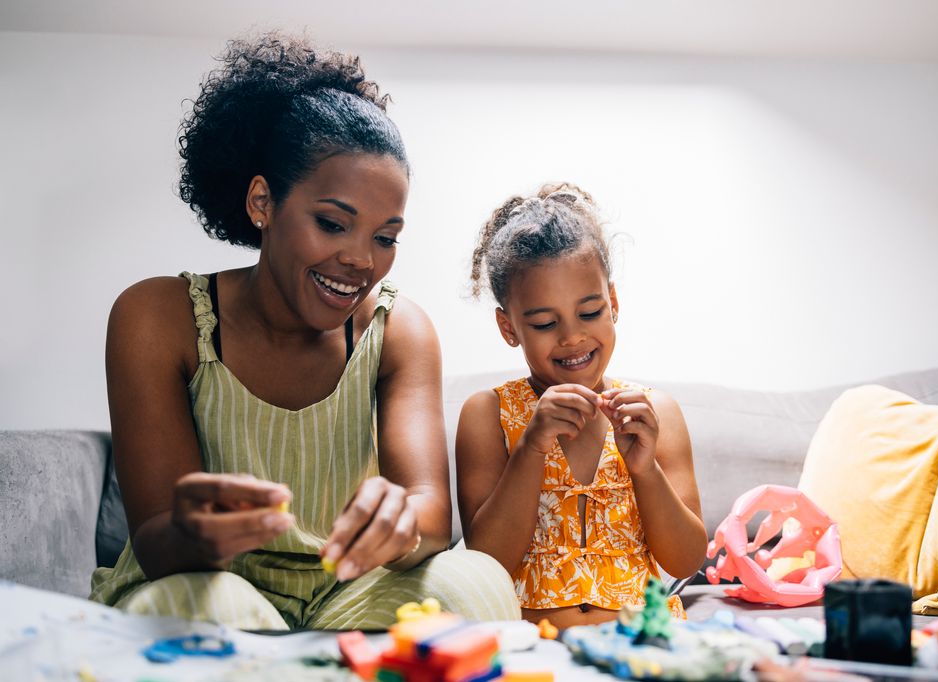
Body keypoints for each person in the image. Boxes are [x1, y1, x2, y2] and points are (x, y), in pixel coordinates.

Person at [89, 33, 519, 630]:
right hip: (206, 583)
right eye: (332, 223)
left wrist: (402, 523)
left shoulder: (399, 329)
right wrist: (192, 531)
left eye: (385, 236)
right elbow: (160, 543)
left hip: (344, 596)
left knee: (477, 587)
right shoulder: (157, 318)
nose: (361, 260)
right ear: (263, 202)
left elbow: (430, 519)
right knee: (213, 611)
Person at [455, 183, 706, 629]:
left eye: (590, 313)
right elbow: (487, 562)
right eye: (545, 323)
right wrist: (531, 446)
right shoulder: (486, 414)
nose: (572, 337)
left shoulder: (656, 412)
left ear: (612, 302)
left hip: (644, 644)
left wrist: (646, 470)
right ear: (508, 327)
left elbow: (686, 559)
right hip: (533, 648)